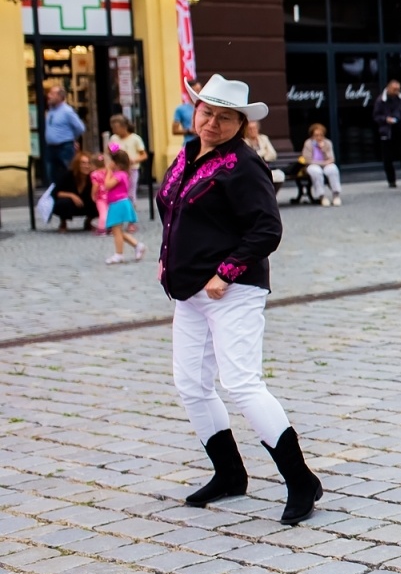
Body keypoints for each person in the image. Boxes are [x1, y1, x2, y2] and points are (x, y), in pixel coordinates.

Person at [158, 75, 322, 525]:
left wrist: (224, 272)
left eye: (223, 116)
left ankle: (300, 479)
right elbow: (173, 215)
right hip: (188, 291)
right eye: (206, 112)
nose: (211, 122)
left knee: (242, 383)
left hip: (232, 290)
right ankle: (229, 473)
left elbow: (267, 229)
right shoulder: (189, 155)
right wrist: (166, 261)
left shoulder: (244, 165)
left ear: (240, 122)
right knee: (191, 383)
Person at [98, 149, 145, 265]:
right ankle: (137, 245)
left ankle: (119, 254)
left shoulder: (120, 175)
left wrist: (108, 171)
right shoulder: (121, 174)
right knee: (117, 231)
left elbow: (107, 185)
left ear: (117, 163)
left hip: (118, 204)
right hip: (117, 203)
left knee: (116, 231)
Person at [373, 79, 401, 190]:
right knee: (388, 158)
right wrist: (385, 119)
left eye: (398, 89)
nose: (397, 91)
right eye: (394, 89)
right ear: (388, 88)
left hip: (400, 130)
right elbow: (376, 116)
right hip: (387, 132)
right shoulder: (381, 100)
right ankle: (391, 180)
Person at [42, 82, 85, 191]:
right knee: (52, 175)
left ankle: (72, 193)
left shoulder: (67, 111)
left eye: (52, 93)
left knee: (69, 172)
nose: (49, 96)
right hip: (51, 147)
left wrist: (72, 138)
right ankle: (56, 197)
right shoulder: (51, 110)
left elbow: (80, 127)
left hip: (64, 147)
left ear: (60, 97)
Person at [298, 123, 341, 207]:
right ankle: (322, 196)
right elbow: (308, 160)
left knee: (333, 169)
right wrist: (324, 163)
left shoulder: (327, 143)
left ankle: (336, 195)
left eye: (321, 135)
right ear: (312, 136)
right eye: (316, 135)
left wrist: (323, 149)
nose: (319, 137)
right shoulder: (308, 143)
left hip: (325, 165)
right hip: (312, 165)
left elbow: (331, 158)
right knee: (316, 171)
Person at [107, 114, 148, 196]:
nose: (114, 130)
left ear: (124, 127)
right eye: (113, 128)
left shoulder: (135, 139)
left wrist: (133, 160)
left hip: (131, 169)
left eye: (116, 128)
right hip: (117, 170)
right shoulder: (114, 138)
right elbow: (111, 152)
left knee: (130, 193)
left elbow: (144, 155)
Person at [243, 120, 285, 187]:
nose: (252, 130)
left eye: (254, 128)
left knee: (280, 175)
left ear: (258, 129)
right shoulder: (244, 141)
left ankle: (272, 196)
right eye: (250, 129)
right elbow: (250, 156)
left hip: (266, 167)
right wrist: (264, 151)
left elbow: (273, 154)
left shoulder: (264, 138)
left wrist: (262, 156)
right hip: (252, 169)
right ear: (246, 130)